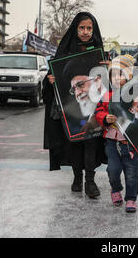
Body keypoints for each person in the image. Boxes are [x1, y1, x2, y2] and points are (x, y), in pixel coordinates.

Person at [43, 12, 107, 199]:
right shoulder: (65, 50)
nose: (86, 32)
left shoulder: (99, 51)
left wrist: (109, 69)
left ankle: (90, 181)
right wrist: (51, 80)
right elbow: (54, 78)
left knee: (91, 142)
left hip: (95, 108)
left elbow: (108, 81)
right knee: (75, 144)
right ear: (75, 29)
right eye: (82, 28)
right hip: (71, 108)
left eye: (89, 28)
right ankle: (77, 178)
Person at [95, 55, 138, 213]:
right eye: (113, 75)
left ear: (128, 76)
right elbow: (98, 111)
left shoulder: (136, 96)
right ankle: (115, 189)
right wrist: (105, 118)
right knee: (112, 170)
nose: (116, 78)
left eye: (120, 74)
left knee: (132, 172)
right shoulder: (106, 95)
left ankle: (131, 199)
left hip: (131, 143)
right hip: (112, 141)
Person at [61, 55, 107, 136]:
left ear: (97, 81)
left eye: (81, 84)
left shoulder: (114, 102)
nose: (77, 93)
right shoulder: (75, 121)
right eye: (73, 90)